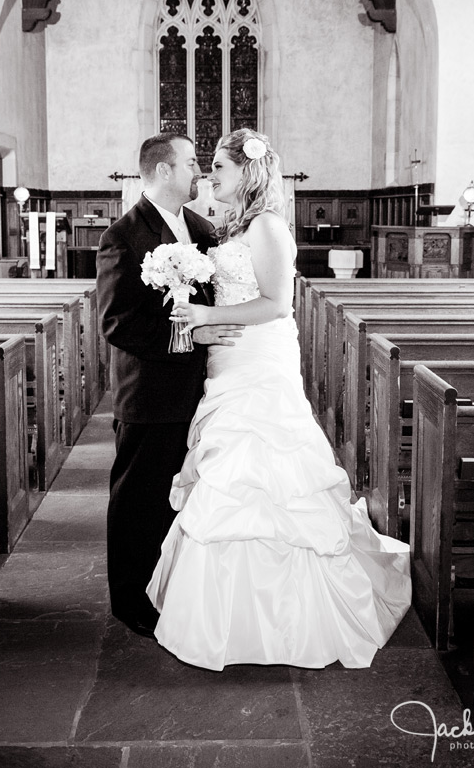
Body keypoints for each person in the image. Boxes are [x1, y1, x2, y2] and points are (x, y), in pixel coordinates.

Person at [147, 128, 411, 670]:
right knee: (229, 476)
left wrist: (207, 316)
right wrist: (198, 325)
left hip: (259, 363)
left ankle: (287, 622)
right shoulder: (230, 226)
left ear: (246, 172)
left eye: (218, 165)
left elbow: (275, 306)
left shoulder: (267, 228)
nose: (208, 174)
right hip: (228, 361)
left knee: (265, 474)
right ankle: (232, 621)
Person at [96, 133, 243, 637]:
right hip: (151, 393)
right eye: (191, 163)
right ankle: (131, 600)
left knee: (182, 495)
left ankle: (172, 588)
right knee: (140, 497)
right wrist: (190, 333)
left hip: (202, 388)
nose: (199, 171)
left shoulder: (201, 228)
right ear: (162, 171)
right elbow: (117, 322)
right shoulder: (125, 235)